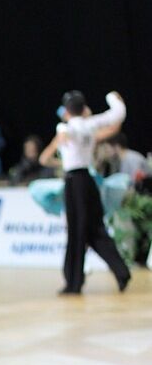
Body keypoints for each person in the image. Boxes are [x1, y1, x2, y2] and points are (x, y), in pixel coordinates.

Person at [39, 90, 130, 295]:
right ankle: (120, 272)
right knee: (94, 229)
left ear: (67, 110)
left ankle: (74, 281)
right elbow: (117, 116)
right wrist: (113, 98)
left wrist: (63, 132)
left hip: (75, 182)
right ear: (83, 108)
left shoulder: (67, 126)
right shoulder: (90, 125)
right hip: (87, 182)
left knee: (77, 231)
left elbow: (62, 134)